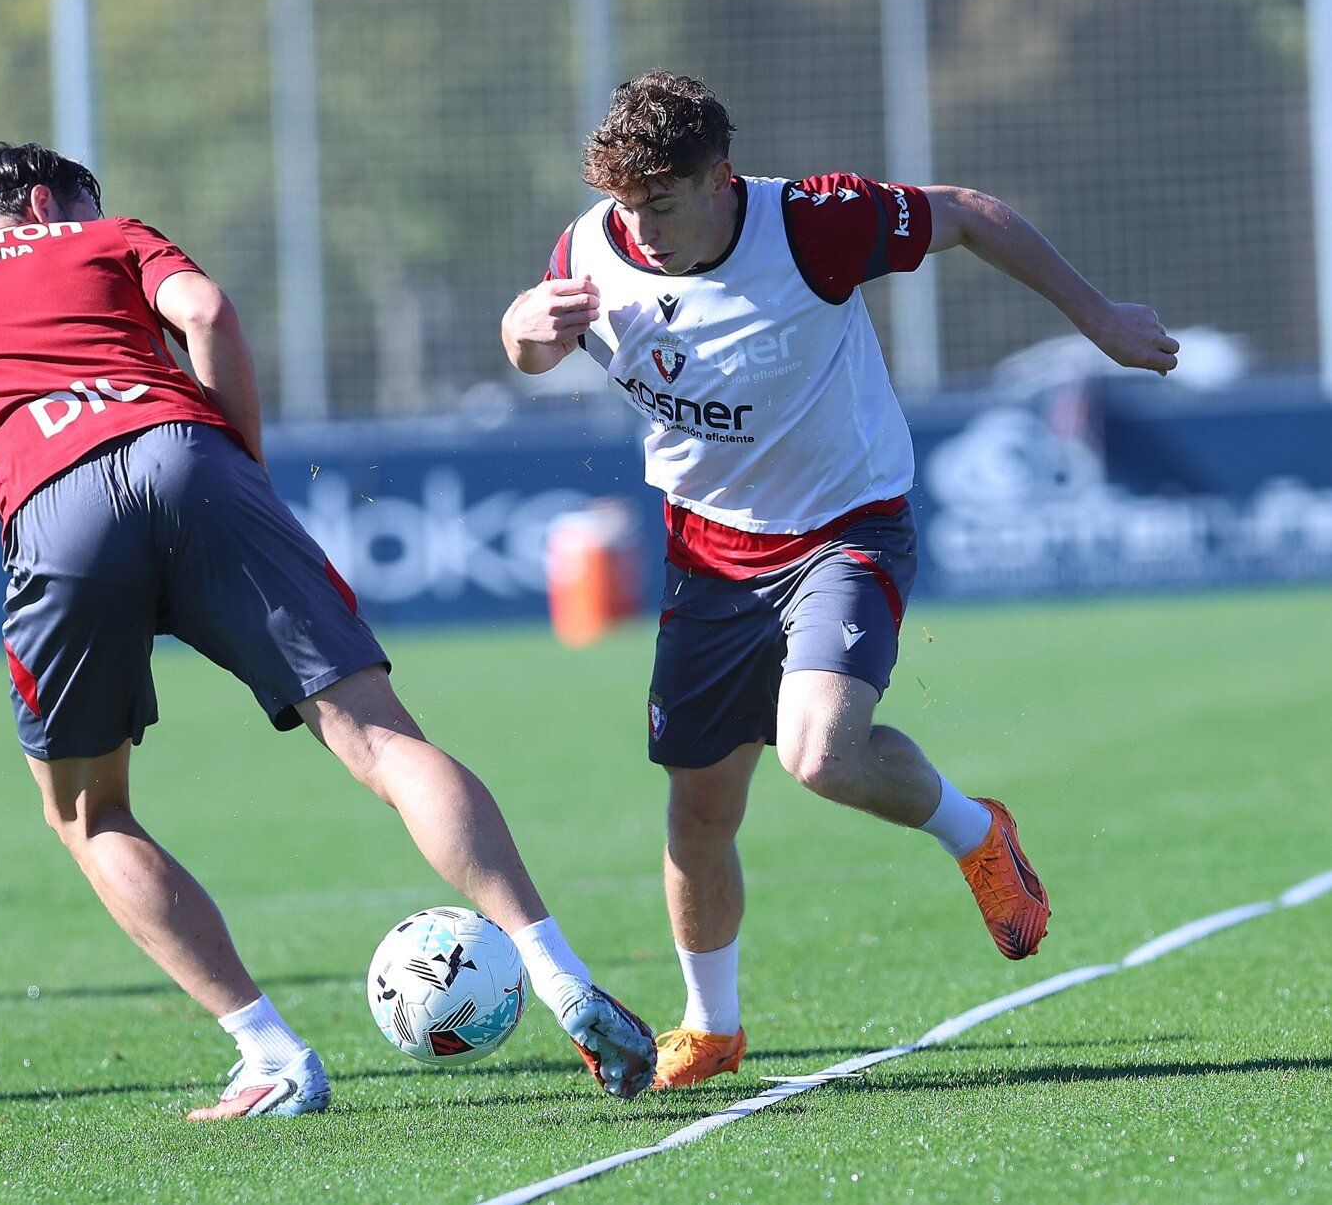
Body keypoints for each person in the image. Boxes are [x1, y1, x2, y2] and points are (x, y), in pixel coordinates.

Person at [0, 141, 657, 1117]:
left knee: (89, 811)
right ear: (45, 203)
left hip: (55, 516)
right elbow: (208, 315)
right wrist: (240, 476)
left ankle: (272, 1055)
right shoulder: (101, 237)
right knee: (379, 738)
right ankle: (557, 970)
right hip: (188, 460)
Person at [501, 73, 1178, 1091]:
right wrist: (524, 333)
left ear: (720, 179)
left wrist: (1099, 319)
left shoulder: (815, 223)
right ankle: (712, 1026)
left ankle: (975, 832)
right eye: (624, 205)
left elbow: (968, 214)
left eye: (661, 205)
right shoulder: (590, 246)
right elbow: (528, 350)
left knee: (817, 753)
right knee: (698, 810)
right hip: (705, 554)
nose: (639, 229)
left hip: (845, 530)